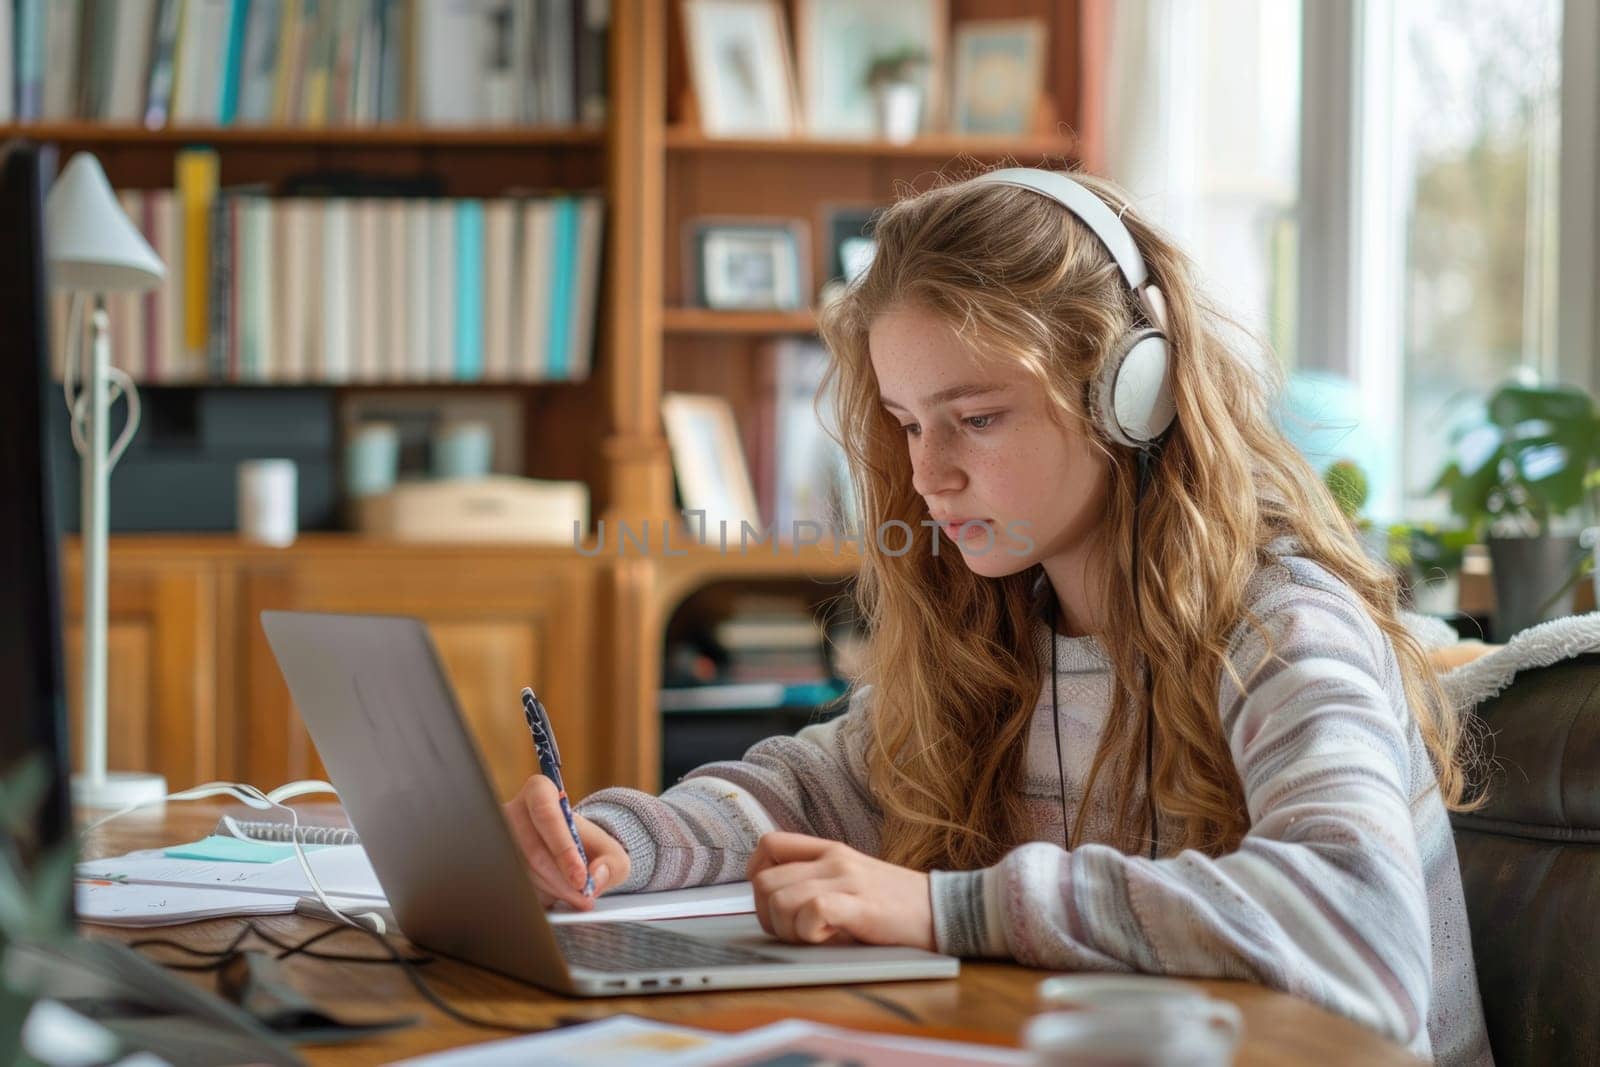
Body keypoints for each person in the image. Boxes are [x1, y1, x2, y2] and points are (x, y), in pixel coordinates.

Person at [502, 166, 1492, 1065]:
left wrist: (947, 906)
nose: (929, 472)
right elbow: (819, 782)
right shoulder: (1006, 621)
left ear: (1130, 392)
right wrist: (621, 838)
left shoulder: (1283, 630)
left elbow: (1359, 933)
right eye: (906, 423)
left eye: (975, 417)